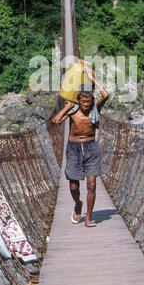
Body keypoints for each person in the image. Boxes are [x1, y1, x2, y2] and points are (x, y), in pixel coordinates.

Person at [51, 62, 109, 227]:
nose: (86, 104)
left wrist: (93, 79)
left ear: (91, 101)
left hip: (91, 148)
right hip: (74, 149)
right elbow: (55, 121)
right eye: (83, 101)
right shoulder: (73, 110)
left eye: (88, 101)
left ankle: (89, 218)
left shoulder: (94, 109)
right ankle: (78, 204)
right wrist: (66, 107)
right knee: (74, 186)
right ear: (78, 100)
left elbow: (105, 95)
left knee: (92, 183)